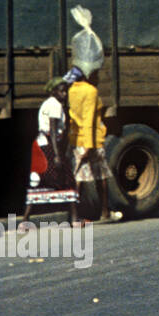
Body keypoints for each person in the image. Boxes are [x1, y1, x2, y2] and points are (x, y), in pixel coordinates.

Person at [23, 77, 78, 228]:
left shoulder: (48, 103)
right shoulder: (54, 105)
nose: (65, 94)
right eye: (61, 91)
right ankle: (74, 218)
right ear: (54, 91)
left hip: (41, 144)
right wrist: (57, 155)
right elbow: (53, 131)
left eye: (65, 91)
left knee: (38, 181)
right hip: (49, 146)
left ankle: (25, 219)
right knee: (68, 179)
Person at [69, 67, 120, 223]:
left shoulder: (72, 89)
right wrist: (89, 145)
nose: (98, 77)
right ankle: (104, 212)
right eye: (96, 74)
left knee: (78, 177)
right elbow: (89, 119)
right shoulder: (91, 91)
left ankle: (74, 215)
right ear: (88, 74)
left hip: (77, 139)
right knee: (100, 177)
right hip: (92, 140)